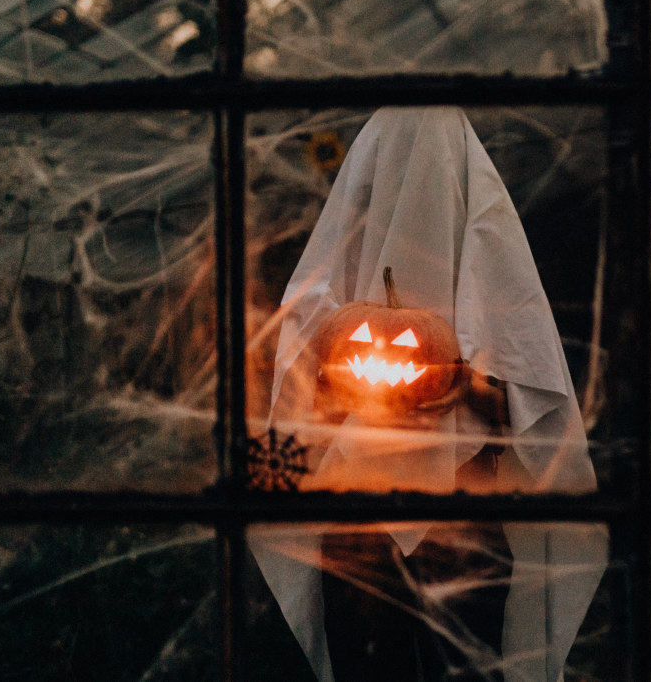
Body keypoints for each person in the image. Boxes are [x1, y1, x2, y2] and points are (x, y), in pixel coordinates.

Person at [250, 107, 607, 682]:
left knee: (464, 663)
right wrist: (334, 380)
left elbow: (533, 399)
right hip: (357, 515)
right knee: (372, 662)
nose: (409, 190)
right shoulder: (333, 268)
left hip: (462, 514)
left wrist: (465, 386)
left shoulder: (489, 246)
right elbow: (297, 386)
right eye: (393, 168)